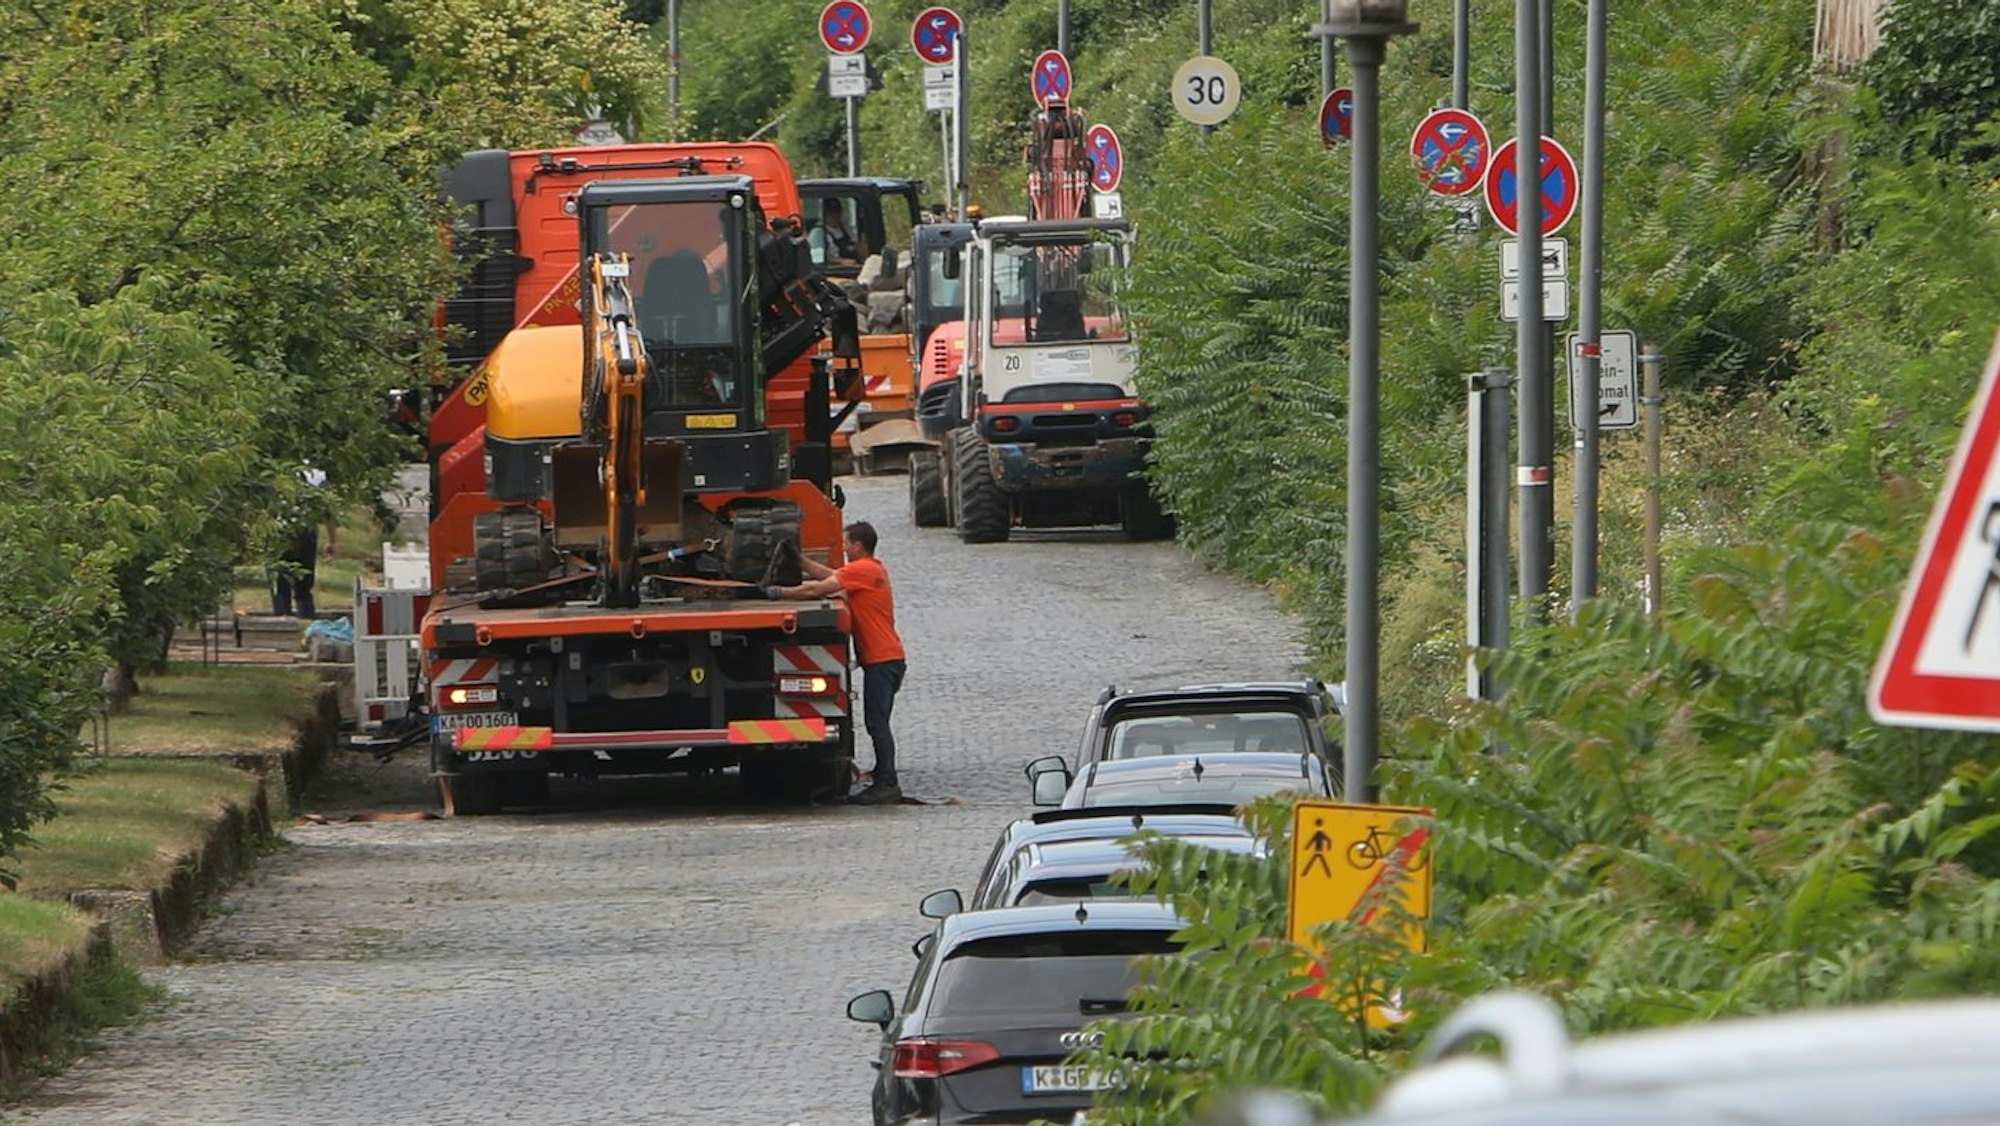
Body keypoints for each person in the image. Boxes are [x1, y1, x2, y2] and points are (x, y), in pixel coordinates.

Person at [766, 521, 905, 804]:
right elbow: (830, 576)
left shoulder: (863, 569)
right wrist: (800, 560)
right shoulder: (870, 569)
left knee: (877, 723)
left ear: (858, 545)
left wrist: (778, 593)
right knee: (878, 721)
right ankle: (883, 775)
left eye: (845, 542)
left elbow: (816, 590)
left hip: (882, 661)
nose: (842, 547)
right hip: (888, 659)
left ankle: (888, 783)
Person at [271, 466, 336, 618]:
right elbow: (328, 510)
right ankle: (306, 617)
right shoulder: (319, 475)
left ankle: (282, 617)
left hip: (282, 528)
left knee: (282, 578)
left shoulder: (277, 470)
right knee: (304, 581)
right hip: (306, 529)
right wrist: (332, 539)